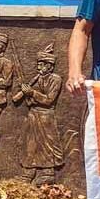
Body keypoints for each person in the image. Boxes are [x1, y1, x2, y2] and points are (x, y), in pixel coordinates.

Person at [16, 44, 64, 185]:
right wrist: (26, 93)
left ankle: (48, 173)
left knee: (46, 144)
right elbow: (31, 101)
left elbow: (49, 100)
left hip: (45, 116)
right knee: (29, 143)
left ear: (49, 66)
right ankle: (28, 172)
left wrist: (32, 93)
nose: (38, 68)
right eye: (38, 64)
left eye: (41, 65)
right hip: (33, 114)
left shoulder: (56, 79)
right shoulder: (37, 79)